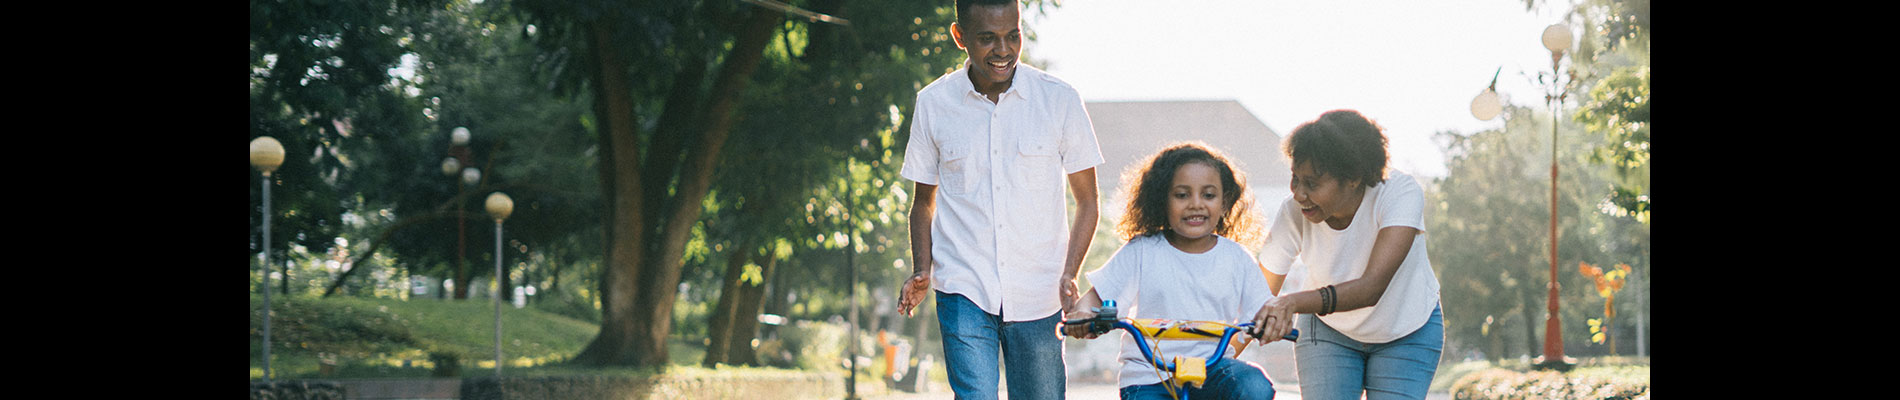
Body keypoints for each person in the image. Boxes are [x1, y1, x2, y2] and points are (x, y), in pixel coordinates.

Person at [893, 0, 1105, 399]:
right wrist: (923, 268)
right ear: (961, 37)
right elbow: (923, 202)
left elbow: (1088, 201)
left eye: (1013, 36)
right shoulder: (934, 104)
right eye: (988, 39)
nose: (1003, 50)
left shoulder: (1059, 100)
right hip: (964, 286)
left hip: (1039, 292)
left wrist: (1069, 272)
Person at [1247, 110, 1445, 400]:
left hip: (1406, 331)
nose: (1299, 194)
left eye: (1312, 184)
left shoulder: (1399, 194)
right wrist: (1213, 361)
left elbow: (1371, 288)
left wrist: (1290, 303)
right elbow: (1258, 295)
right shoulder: (1293, 211)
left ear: (1352, 178)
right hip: (1328, 331)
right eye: (1295, 179)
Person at [1062, 142, 1277, 400]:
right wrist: (1084, 313)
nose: (1195, 204)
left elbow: (1264, 311)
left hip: (1213, 370)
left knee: (1254, 386)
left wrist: (1272, 322)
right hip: (1149, 374)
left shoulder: (1237, 259)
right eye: (1182, 195)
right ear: (1162, 200)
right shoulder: (1142, 251)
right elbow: (1097, 298)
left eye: (1208, 195)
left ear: (1225, 201)